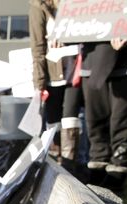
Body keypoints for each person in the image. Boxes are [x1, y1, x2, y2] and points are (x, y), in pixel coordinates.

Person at [80, 37, 127, 192]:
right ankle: (98, 166)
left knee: (122, 119)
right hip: (93, 57)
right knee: (95, 119)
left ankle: (118, 170)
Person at [28, 0, 83, 176]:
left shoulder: (77, 5)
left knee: (71, 119)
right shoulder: (38, 7)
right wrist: (39, 82)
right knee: (53, 123)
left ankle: (69, 169)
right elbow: (37, 48)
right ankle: (55, 167)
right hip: (53, 75)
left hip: (75, 71)